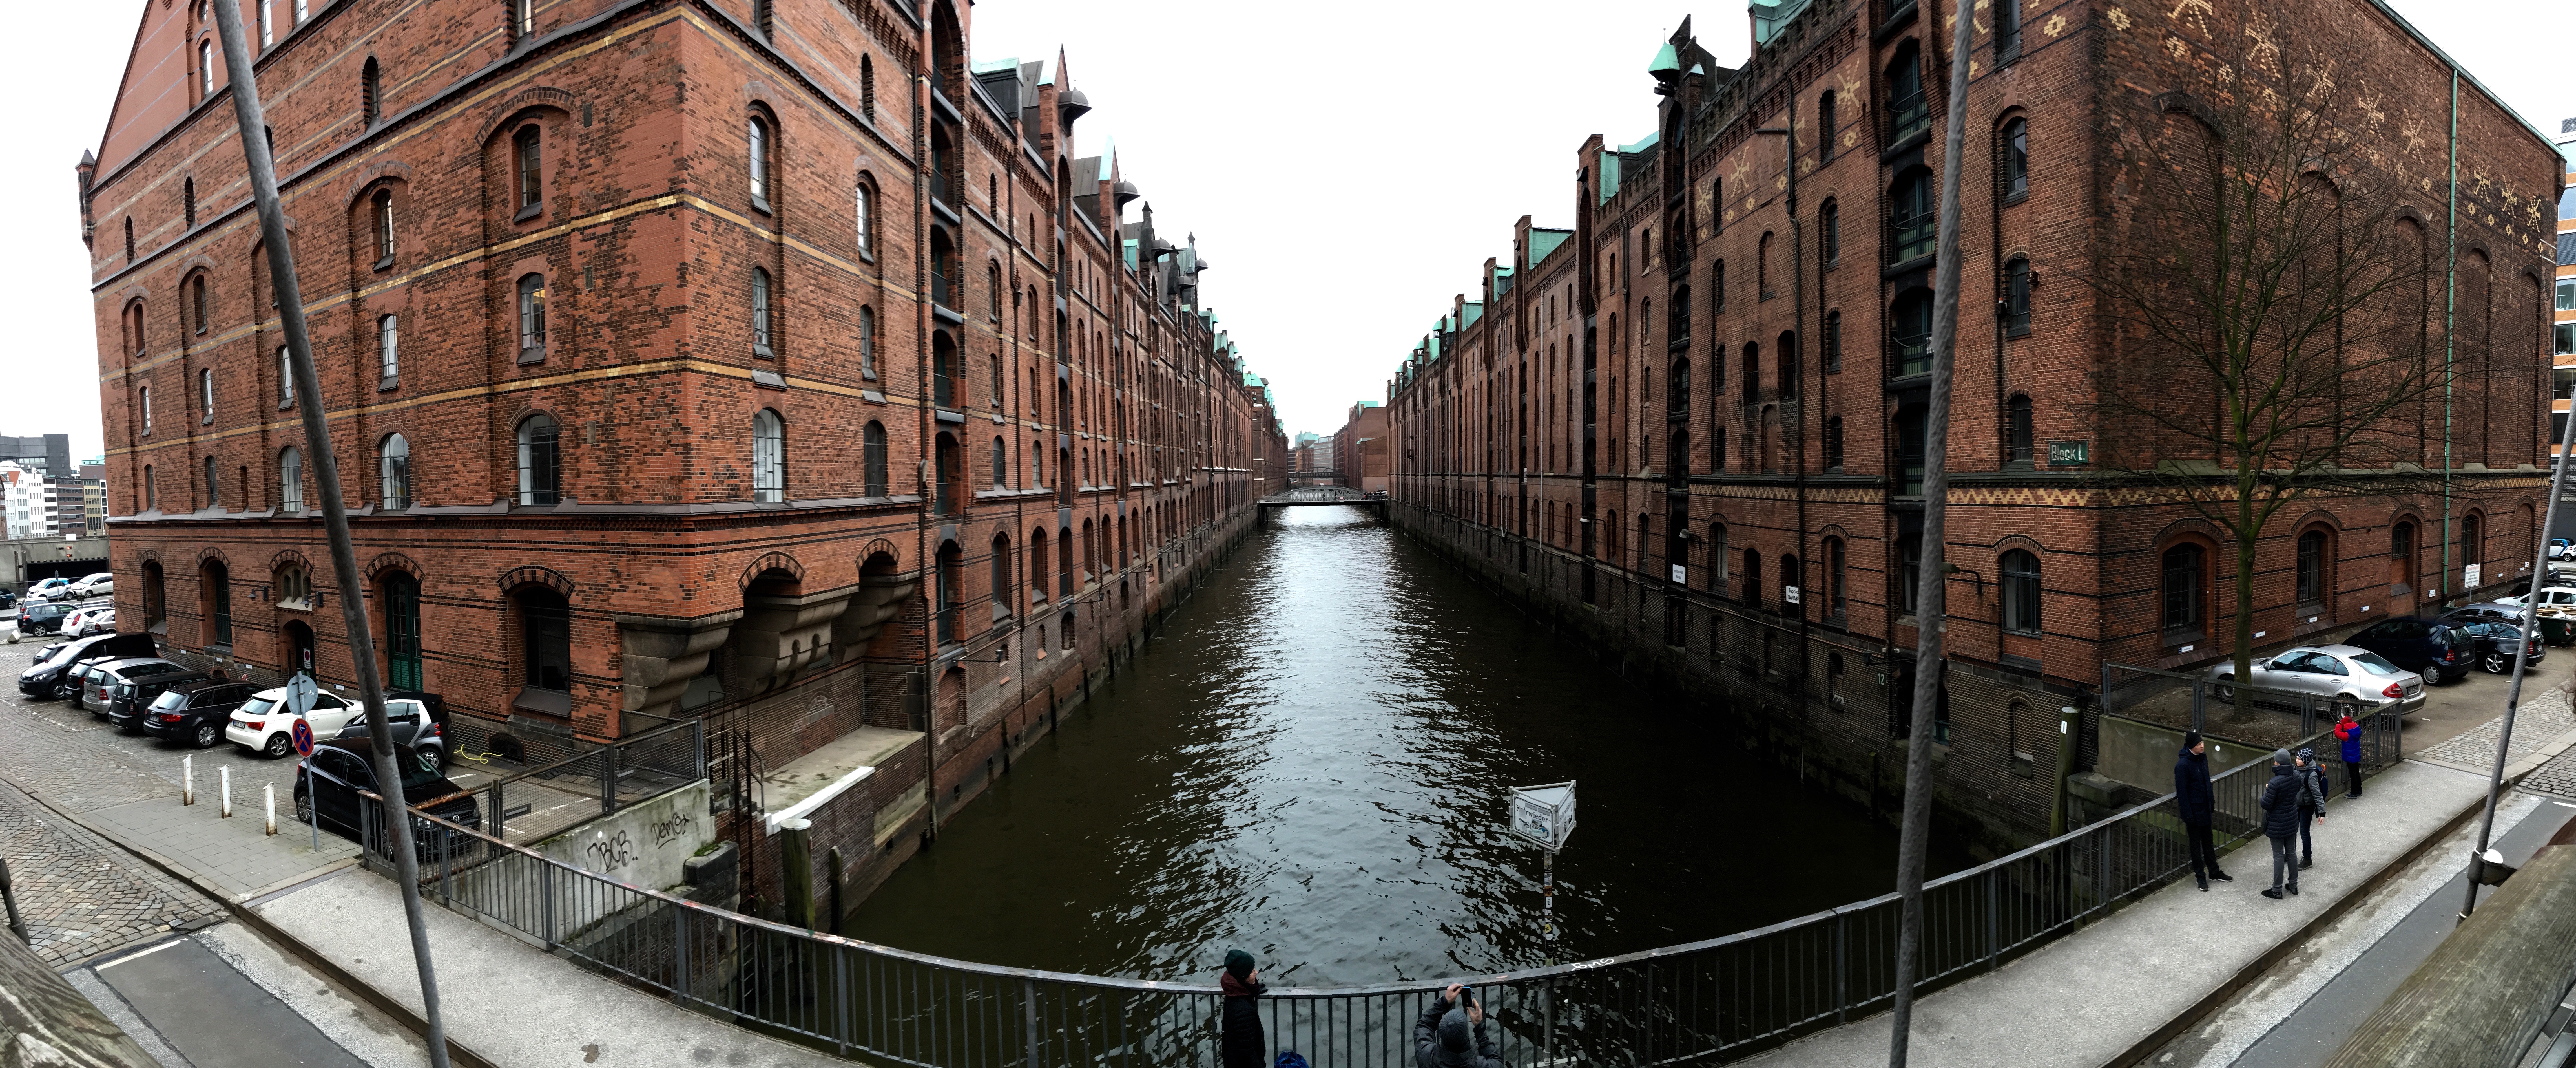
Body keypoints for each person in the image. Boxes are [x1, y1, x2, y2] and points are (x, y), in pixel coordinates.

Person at [2173, 730, 2228, 890]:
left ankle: (2214, 872)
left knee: (2208, 841)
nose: (2203, 746)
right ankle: (2200, 877)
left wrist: (2211, 802)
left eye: (2202, 743)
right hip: (2194, 812)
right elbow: (2182, 793)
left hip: (2204, 809)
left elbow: (2206, 783)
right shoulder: (2183, 766)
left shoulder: (2202, 759)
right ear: (2192, 747)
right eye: (2199, 745)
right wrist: (2188, 815)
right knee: (2196, 845)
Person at [1415, 984, 1504, 1068]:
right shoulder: (1479, 1065)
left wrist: (1444, 1002)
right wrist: (1480, 1029)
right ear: (1466, 1036)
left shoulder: (1427, 1057)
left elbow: (1424, 1026)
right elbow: (1497, 1062)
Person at [2258, 749, 2303, 899]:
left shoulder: (2275, 783)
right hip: (2292, 820)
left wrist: (2267, 791)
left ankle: (2277, 890)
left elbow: (2266, 804)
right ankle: (2293, 885)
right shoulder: (2296, 775)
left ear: (2278, 763)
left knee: (2278, 856)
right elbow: (2295, 791)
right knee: (2292, 853)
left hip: (2277, 823)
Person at [1221, 950, 1266, 1068]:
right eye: (1252, 971)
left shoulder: (1233, 994)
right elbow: (1249, 1054)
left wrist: (1254, 991)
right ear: (1242, 978)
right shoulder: (1244, 1013)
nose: (1257, 972)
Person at [2294, 747, 2329, 868]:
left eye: (2300, 759)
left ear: (2306, 760)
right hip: (2297, 804)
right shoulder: (2297, 769)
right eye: (2297, 758)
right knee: (2293, 829)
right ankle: (2290, 853)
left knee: (2304, 832)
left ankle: (2308, 859)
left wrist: (2322, 813)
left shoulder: (2312, 775)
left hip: (2307, 807)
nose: (2297, 760)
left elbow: (2317, 794)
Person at [2334, 710, 2365, 798]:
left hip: (2350, 757)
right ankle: (2359, 790)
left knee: (2353, 774)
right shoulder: (2355, 731)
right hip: (2356, 755)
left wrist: (2339, 725)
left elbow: (2337, 733)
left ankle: (2354, 793)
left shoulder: (2347, 736)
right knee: (2356, 773)